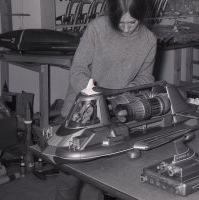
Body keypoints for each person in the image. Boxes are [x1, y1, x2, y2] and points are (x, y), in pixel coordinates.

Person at [55, 0, 157, 199]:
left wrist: (124, 93)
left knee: (102, 176)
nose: (126, 29)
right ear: (112, 15)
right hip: (80, 112)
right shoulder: (97, 28)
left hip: (115, 114)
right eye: (120, 23)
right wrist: (95, 95)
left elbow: (146, 77)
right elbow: (78, 70)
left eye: (133, 23)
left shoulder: (149, 40)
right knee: (70, 177)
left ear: (142, 17)